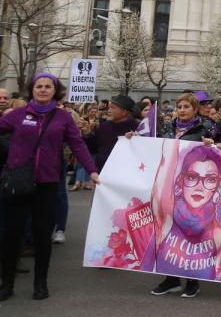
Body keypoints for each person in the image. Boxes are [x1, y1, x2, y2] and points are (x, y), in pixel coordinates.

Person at [0, 73, 99, 301]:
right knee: (11, 234)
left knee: (42, 235)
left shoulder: (63, 118)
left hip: (47, 184)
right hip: (17, 182)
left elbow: (77, 144)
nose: (43, 90)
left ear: (55, 91)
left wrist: (92, 170)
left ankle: (40, 283)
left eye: (48, 86)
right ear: (31, 90)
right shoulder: (17, 115)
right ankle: (7, 284)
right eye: (39, 86)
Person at [148, 93, 215, 298]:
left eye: (187, 106)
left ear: (195, 109)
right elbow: (153, 147)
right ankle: (171, 279)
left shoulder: (206, 129)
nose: (182, 110)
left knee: (192, 232)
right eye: (179, 106)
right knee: (168, 230)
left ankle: (193, 280)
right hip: (169, 186)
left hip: (192, 187)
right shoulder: (168, 128)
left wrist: (213, 144)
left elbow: (220, 152)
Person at [90, 94, 140, 170]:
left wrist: (135, 139)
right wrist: (87, 133)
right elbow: (92, 149)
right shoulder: (103, 126)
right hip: (101, 172)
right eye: (109, 107)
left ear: (124, 111)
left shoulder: (136, 128)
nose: (108, 110)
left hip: (124, 172)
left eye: (113, 108)